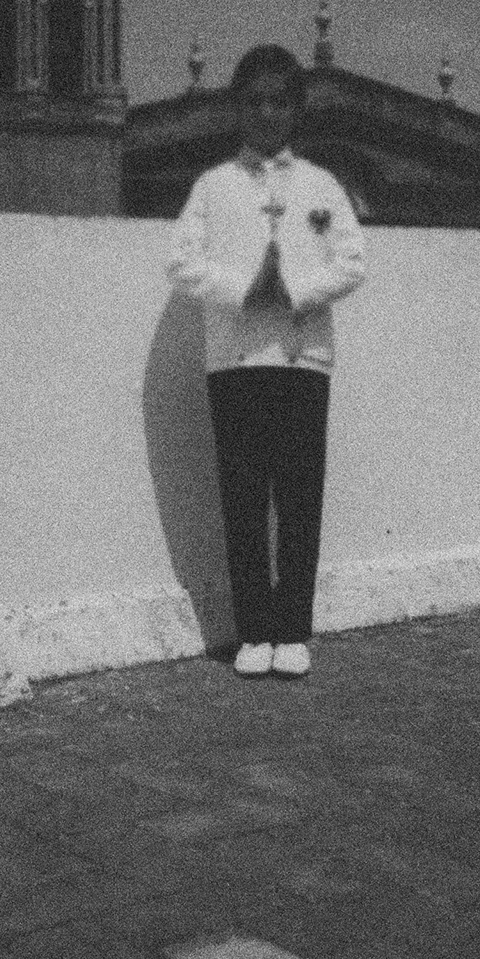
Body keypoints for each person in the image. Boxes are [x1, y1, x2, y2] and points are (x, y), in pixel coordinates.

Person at [166, 43, 366, 678]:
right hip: (237, 359)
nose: (267, 114)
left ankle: (293, 629)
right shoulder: (213, 186)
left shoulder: (321, 185)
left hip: (303, 360)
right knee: (244, 495)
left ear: (296, 110)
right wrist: (243, 289)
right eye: (255, 102)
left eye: (280, 102)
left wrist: (297, 290)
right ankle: (253, 630)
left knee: (300, 496)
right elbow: (181, 263)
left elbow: (352, 262)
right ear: (238, 108)